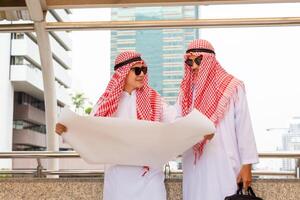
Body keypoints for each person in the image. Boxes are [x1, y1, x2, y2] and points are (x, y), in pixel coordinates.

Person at [56, 51, 172, 200]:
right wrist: (67, 130)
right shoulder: (106, 103)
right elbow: (89, 129)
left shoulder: (154, 100)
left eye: (144, 70)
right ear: (122, 73)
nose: (142, 74)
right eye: (137, 70)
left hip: (150, 177)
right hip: (119, 178)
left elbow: (173, 123)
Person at [176, 39, 259, 200]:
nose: (193, 66)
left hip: (225, 163)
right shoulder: (185, 92)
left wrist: (247, 165)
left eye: (198, 60)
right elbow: (177, 124)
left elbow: (244, 127)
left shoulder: (232, 87)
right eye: (189, 61)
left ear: (209, 60)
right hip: (194, 165)